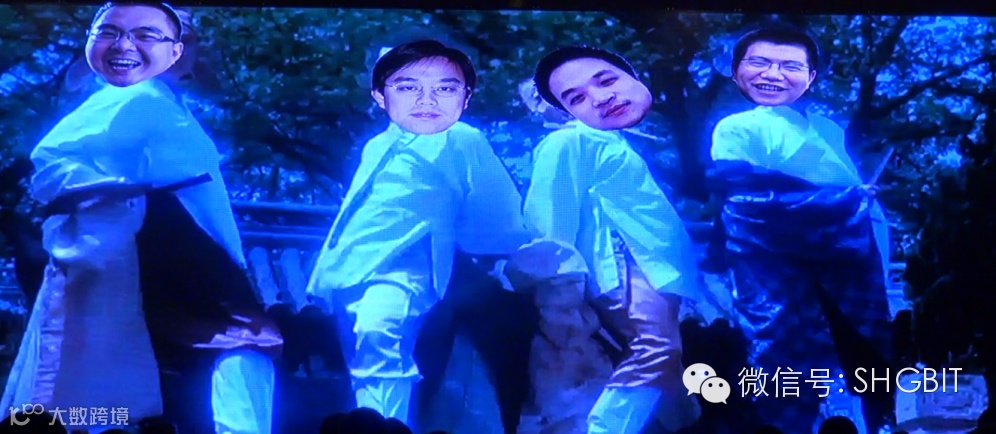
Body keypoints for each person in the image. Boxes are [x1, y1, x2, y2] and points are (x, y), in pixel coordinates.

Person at [1, 3, 282, 433]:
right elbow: (52, 162)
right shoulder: (135, 96)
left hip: (180, 252)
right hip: (146, 249)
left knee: (222, 351)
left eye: (183, 38)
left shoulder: (164, 103)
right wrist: (117, 195)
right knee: (231, 346)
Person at [305, 39, 534, 428]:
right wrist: (322, 278)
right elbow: (350, 215)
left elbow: (495, 210)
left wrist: (511, 255)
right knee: (364, 362)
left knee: (380, 333)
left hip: (409, 263)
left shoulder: (460, 137)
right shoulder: (377, 145)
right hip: (347, 269)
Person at [708, 26, 893, 434]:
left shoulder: (827, 128)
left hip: (849, 263)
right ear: (737, 72)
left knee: (864, 356)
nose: (773, 74)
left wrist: (855, 201)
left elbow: (844, 189)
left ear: (811, 77)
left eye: (790, 66)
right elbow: (747, 201)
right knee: (779, 358)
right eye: (760, 63)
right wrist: (846, 202)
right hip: (773, 266)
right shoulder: (736, 127)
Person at [527, 45, 720, 434]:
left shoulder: (615, 141)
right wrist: (556, 279)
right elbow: (552, 215)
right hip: (628, 264)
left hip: (658, 270)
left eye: (605, 80)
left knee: (670, 373)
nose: (599, 98)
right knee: (657, 348)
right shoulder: (569, 142)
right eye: (575, 98)